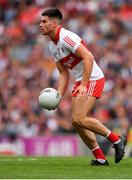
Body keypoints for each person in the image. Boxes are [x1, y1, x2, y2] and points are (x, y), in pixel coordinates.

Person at [40, 8, 126, 165]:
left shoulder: (67, 37)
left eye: (44, 21)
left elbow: (88, 57)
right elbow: (63, 73)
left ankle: (116, 139)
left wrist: (85, 84)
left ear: (54, 23)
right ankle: (100, 158)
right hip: (81, 80)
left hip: (92, 78)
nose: (40, 25)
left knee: (80, 118)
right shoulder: (52, 46)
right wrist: (58, 95)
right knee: (76, 122)